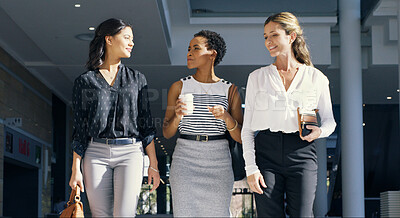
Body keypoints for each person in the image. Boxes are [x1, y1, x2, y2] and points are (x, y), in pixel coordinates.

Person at [241, 12, 337, 217]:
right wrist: (251, 168)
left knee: (303, 214)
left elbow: (330, 121)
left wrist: (319, 132)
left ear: (291, 36)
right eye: (265, 37)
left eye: (274, 35)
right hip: (266, 152)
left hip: (302, 153)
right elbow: (247, 128)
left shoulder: (315, 77)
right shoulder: (257, 77)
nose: (268, 41)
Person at [68, 18, 160, 217]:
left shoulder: (137, 79)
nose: (131, 43)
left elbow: (146, 124)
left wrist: (153, 164)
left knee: (125, 214)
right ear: (109, 39)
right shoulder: (85, 81)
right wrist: (76, 169)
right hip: (95, 154)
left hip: (130, 153)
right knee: (100, 214)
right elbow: (79, 129)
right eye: (126, 37)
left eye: (132, 39)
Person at [163, 30, 243, 217]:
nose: (189, 53)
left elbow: (241, 136)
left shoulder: (230, 90)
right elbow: (167, 132)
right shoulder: (179, 86)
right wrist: (177, 116)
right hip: (185, 160)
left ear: (212, 54)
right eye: (189, 49)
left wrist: (227, 118)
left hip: (219, 162)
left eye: (196, 49)